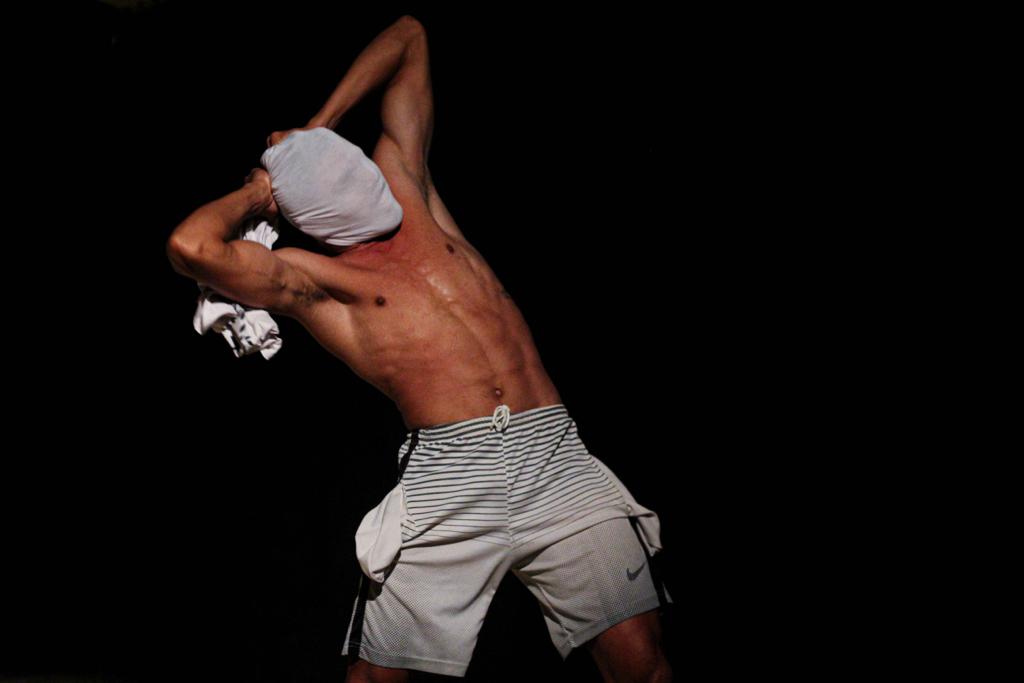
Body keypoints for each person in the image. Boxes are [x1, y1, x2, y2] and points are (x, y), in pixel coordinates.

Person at [166, 15, 673, 683]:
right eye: (328, 166)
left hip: (552, 452)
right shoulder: (320, 281)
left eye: (340, 153)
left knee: (642, 666)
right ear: (311, 210)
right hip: (452, 475)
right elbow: (191, 247)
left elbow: (409, 35)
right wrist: (262, 189)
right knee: (377, 679)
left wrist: (319, 123)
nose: (348, 163)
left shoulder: (410, 189)